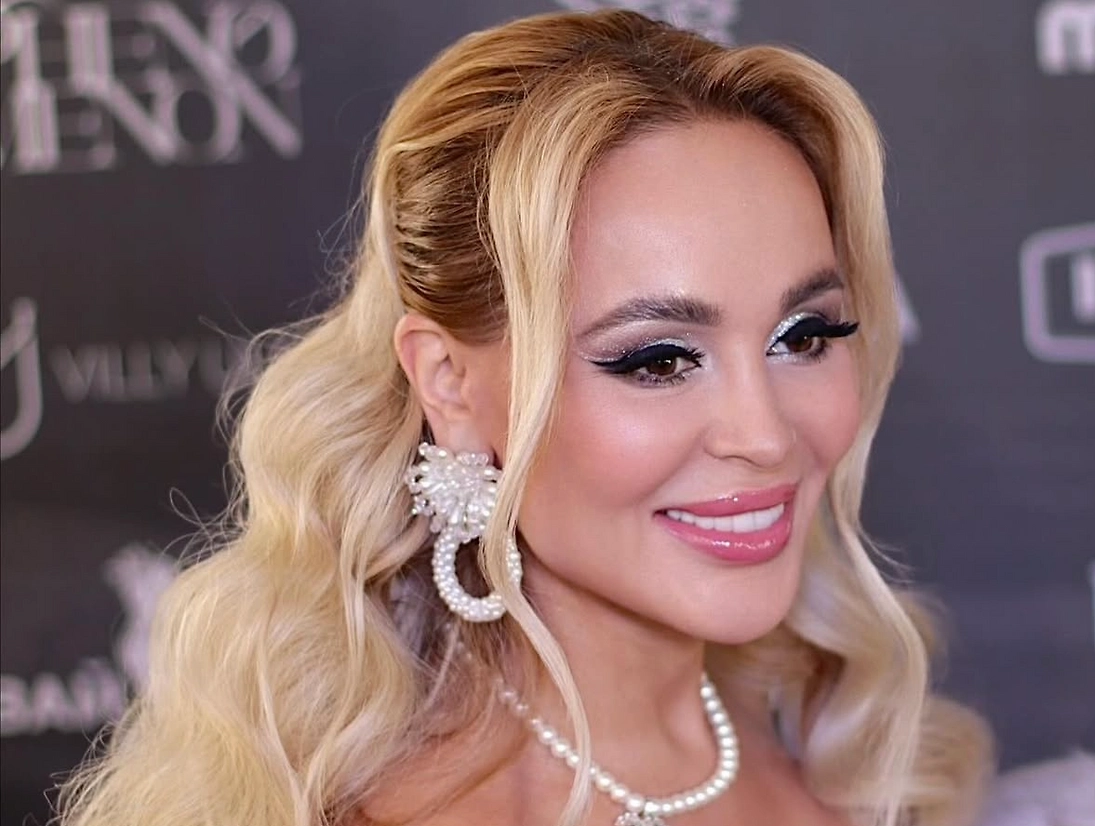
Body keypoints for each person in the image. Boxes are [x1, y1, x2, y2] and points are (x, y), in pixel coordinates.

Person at [56, 9, 993, 826]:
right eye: (658, 359)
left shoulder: (857, 770)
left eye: (803, 335)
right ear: (450, 386)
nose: (765, 433)